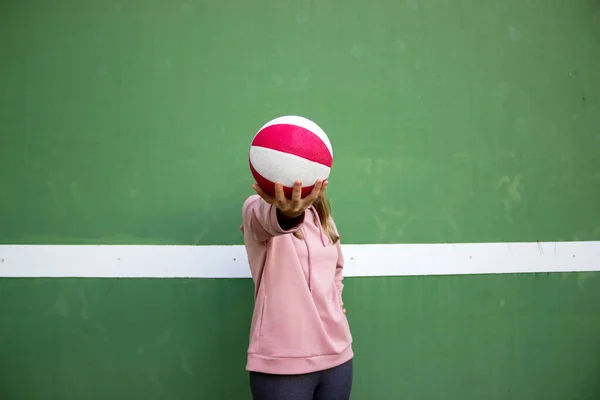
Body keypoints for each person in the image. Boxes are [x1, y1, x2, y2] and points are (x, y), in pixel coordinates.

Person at [240, 179, 354, 400]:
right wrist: (288, 214)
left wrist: (336, 300)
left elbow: (336, 268)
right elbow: (271, 220)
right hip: (282, 365)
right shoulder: (256, 208)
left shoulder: (323, 218)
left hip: (338, 358)